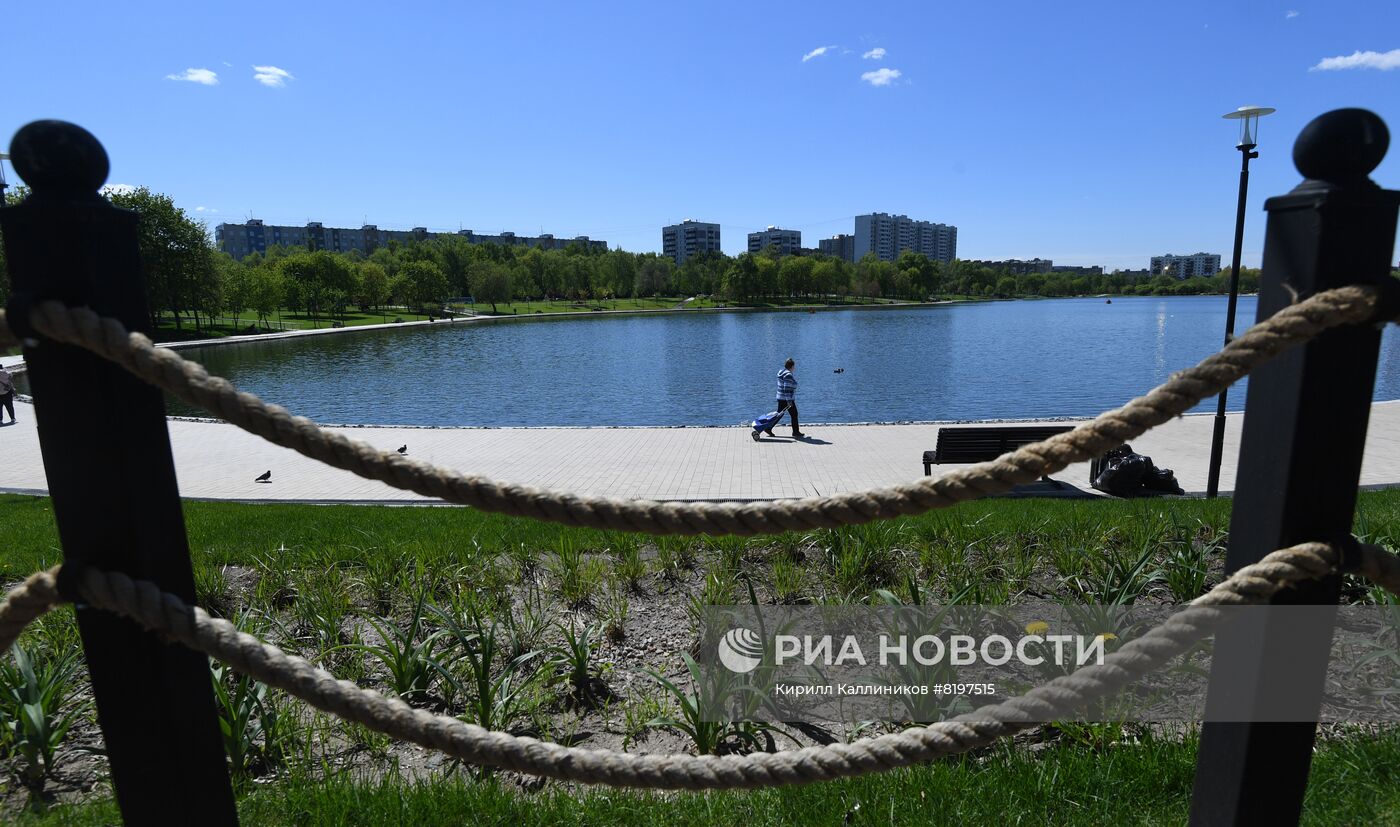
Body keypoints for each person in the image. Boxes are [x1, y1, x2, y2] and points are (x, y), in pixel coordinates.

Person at [770, 358, 805, 439]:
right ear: (792, 366)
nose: (794, 368)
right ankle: (796, 432)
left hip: (780, 396)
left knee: (779, 414)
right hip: (786, 399)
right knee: (794, 414)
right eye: (794, 366)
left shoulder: (781, 371)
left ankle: (768, 428)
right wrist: (789, 401)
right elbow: (786, 388)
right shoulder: (788, 375)